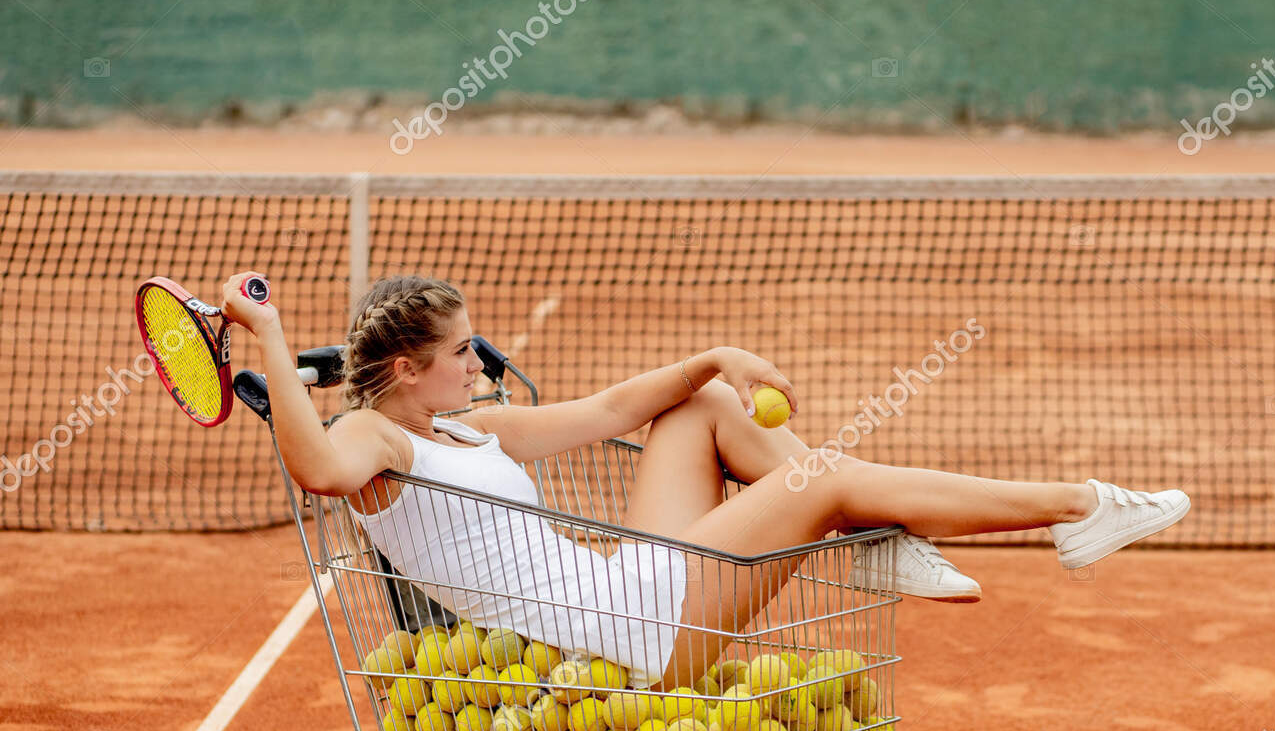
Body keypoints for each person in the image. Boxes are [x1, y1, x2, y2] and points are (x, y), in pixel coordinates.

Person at [224, 272, 1189, 691]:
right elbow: (315, 466)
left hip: (626, 590)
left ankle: (874, 545)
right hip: (628, 636)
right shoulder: (375, 444)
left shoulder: (471, 429)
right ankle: (1077, 507)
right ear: (403, 372)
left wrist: (712, 356)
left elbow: (611, 410)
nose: (476, 362)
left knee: (704, 405)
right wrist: (267, 334)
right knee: (822, 477)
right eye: (457, 354)